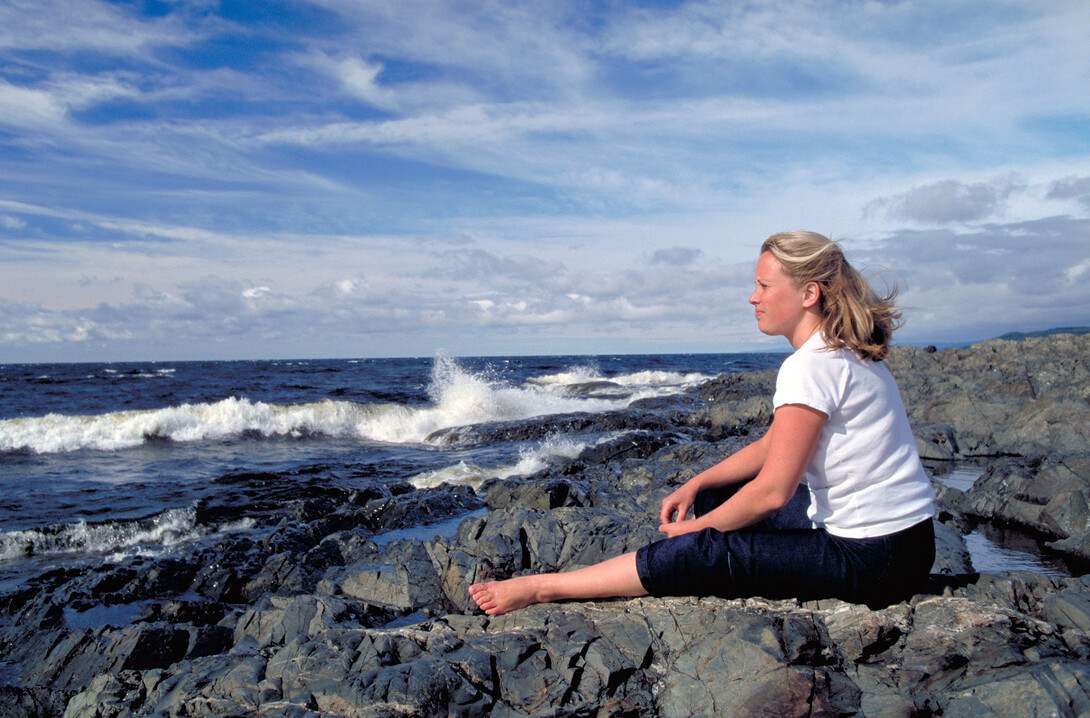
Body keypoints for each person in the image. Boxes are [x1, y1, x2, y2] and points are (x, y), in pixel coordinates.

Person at [469, 231, 936, 616]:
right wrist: (698, 484)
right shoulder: (842, 353)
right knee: (718, 499)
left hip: (873, 559)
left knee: (703, 551)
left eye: (764, 286)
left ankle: (545, 588)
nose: (753, 297)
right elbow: (775, 444)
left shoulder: (811, 366)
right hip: (908, 544)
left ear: (809, 293)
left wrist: (702, 530)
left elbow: (774, 491)